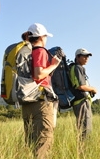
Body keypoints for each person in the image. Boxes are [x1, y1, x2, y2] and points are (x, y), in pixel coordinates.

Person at [21, 23, 61, 159]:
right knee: (43, 144)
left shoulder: (26, 52)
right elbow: (38, 74)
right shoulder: (40, 51)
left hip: (26, 101)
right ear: (42, 37)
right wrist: (53, 65)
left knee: (32, 142)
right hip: (40, 102)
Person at [70, 48, 97, 140]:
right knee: (86, 129)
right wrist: (93, 89)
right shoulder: (78, 67)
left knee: (81, 127)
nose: (87, 58)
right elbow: (81, 86)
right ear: (77, 57)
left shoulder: (73, 67)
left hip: (77, 101)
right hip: (81, 101)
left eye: (88, 56)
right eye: (84, 56)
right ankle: (85, 151)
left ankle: (81, 150)